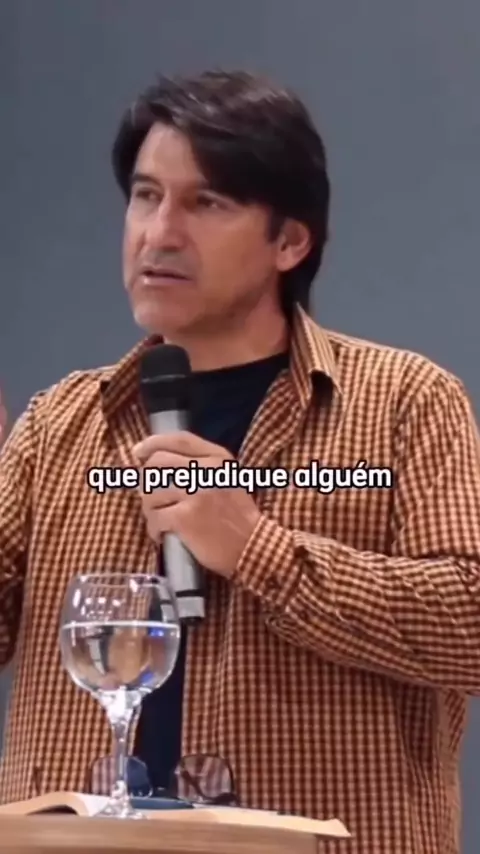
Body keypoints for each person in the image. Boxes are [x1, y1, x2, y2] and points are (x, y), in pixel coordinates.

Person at [0, 69, 479, 854]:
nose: (159, 234)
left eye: (207, 203)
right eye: (146, 196)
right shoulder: (60, 420)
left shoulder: (407, 401)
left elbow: (470, 624)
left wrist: (257, 548)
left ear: (291, 241)